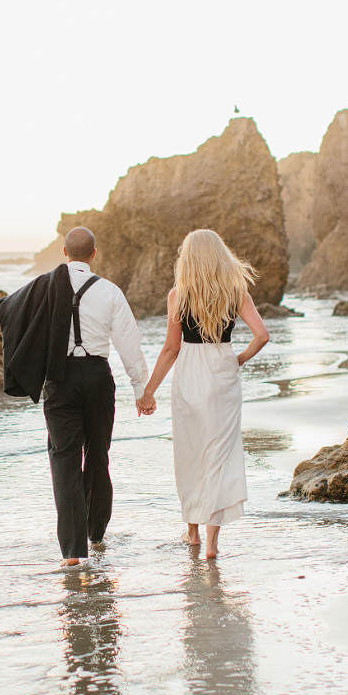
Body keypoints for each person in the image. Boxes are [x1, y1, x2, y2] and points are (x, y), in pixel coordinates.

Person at [0, 227, 149, 568]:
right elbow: (128, 344)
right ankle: (96, 533)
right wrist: (142, 390)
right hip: (97, 378)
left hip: (60, 379)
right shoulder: (110, 292)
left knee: (64, 460)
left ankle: (74, 553)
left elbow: (9, 308)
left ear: (64, 252)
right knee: (98, 455)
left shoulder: (43, 288)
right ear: (94, 254)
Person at [136, 229, 269, 559]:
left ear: (188, 258)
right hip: (223, 372)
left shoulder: (178, 295)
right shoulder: (236, 292)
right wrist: (236, 360)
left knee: (191, 454)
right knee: (219, 456)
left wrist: (148, 391)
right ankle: (212, 543)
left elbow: (170, 349)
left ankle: (192, 533)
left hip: (189, 375)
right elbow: (262, 336)